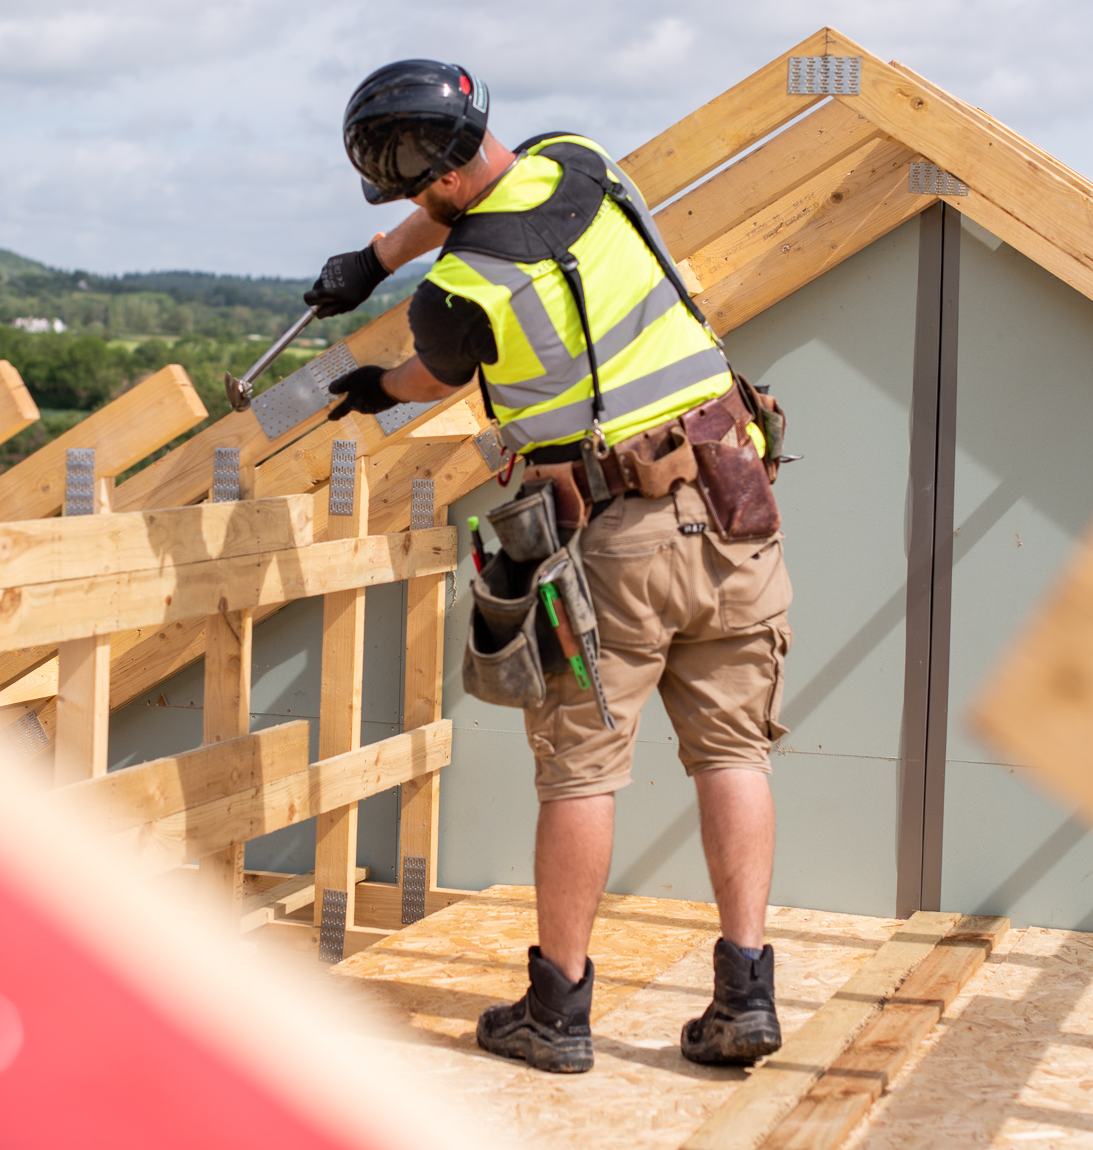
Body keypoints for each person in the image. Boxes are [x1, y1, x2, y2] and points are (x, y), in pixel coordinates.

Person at [306, 60, 794, 1075]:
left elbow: (425, 371)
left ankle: (556, 1011)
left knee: (579, 770)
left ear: (425, 185)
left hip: (613, 538)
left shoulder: (455, 295)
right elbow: (485, 202)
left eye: (404, 197)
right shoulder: (579, 160)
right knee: (732, 755)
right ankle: (744, 994)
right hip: (735, 493)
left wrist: (367, 382)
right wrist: (373, 255)